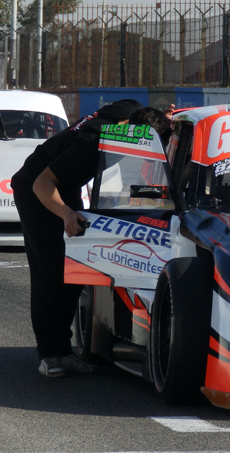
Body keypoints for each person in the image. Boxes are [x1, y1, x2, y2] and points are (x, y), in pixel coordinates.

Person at [11, 100, 172, 378]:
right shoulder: (88, 146)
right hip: (37, 189)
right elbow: (41, 183)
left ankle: (64, 349)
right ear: (133, 136)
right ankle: (50, 355)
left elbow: (146, 113)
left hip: (64, 184)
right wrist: (66, 215)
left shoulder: (128, 110)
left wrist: (166, 119)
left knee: (75, 267)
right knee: (50, 273)